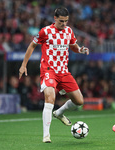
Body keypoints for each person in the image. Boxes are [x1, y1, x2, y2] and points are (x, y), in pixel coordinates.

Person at [19, 7, 89, 143]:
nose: (64, 24)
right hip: (49, 70)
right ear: (55, 18)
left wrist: (80, 49)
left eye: (66, 21)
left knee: (79, 101)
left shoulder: (69, 31)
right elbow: (32, 46)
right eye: (61, 21)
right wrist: (23, 65)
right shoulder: (45, 31)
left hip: (64, 71)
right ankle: (46, 135)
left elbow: (73, 46)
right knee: (50, 98)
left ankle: (59, 113)